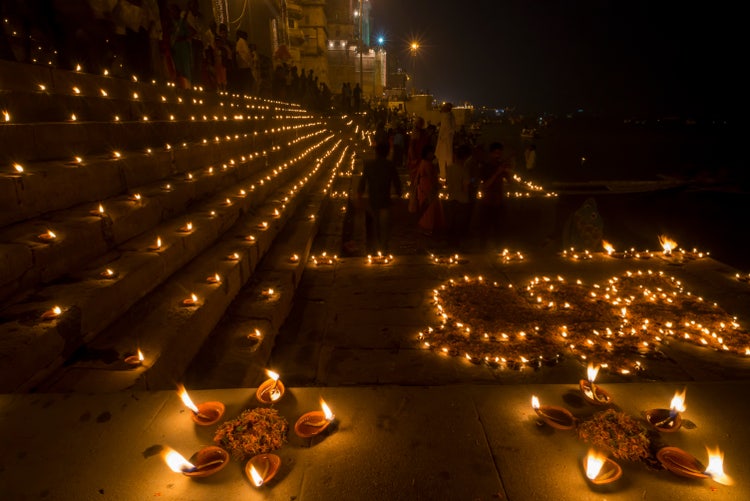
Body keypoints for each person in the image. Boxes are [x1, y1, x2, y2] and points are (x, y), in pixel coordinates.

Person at [357, 142, 402, 254]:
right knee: (384, 225)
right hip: (385, 200)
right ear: (387, 153)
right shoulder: (390, 165)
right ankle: (383, 247)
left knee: (376, 224)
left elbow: (363, 181)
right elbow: (397, 182)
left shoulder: (369, 165)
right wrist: (398, 194)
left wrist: (360, 194)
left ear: (376, 152)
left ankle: (376, 247)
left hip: (373, 199)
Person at [478, 142, 513, 250]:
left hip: (499, 200)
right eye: (496, 153)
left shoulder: (501, 165)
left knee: (500, 226)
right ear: (491, 153)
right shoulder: (486, 166)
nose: (498, 156)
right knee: (485, 226)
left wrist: (508, 171)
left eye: (500, 153)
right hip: (487, 200)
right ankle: (483, 247)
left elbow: (510, 182)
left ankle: (498, 247)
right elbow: (485, 185)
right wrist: (497, 173)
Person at [444, 144, 473, 250]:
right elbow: (466, 187)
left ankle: (449, 242)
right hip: (462, 200)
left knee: (451, 222)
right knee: (459, 223)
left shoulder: (450, 168)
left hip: (451, 198)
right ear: (464, 157)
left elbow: (448, 183)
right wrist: (473, 181)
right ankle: (456, 244)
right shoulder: (464, 170)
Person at [416, 143, 444, 236]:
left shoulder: (424, 163)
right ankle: (427, 227)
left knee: (428, 207)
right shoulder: (427, 164)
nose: (432, 155)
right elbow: (430, 177)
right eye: (431, 153)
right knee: (429, 209)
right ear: (427, 153)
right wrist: (437, 185)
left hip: (426, 187)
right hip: (428, 188)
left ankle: (428, 227)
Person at [435, 102, 456, 179]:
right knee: (446, 159)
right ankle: (446, 175)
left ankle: (444, 176)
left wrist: (442, 138)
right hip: (445, 141)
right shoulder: (449, 116)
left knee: (443, 159)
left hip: (445, 142)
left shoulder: (447, 117)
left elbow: (449, 129)